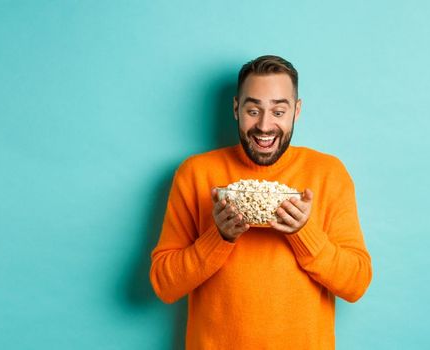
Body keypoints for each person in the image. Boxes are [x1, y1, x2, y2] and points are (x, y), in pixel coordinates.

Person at [150, 55, 372, 349]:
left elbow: (356, 283)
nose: (265, 126)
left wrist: (303, 232)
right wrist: (219, 237)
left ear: (297, 111)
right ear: (236, 109)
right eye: (253, 110)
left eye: (279, 111)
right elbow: (164, 285)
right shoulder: (195, 174)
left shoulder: (328, 174)